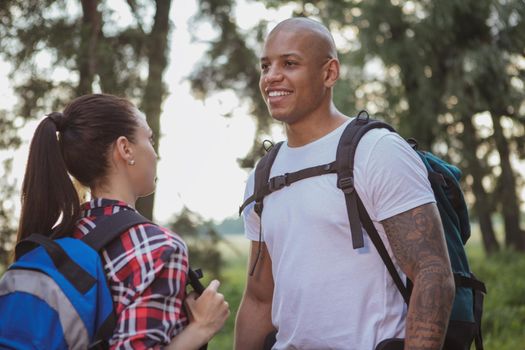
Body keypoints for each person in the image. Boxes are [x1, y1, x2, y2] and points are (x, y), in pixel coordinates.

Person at [235, 17, 455, 350]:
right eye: (266, 66)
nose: (271, 76)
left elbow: (432, 273)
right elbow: (258, 300)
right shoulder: (261, 176)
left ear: (329, 73)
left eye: (289, 63)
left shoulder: (377, 151)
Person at [16, 93, 230, 349]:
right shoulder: (158, 247)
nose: (155, 152)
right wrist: (201, 327)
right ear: (125, 148)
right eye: (149, 139)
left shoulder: (56, 239)